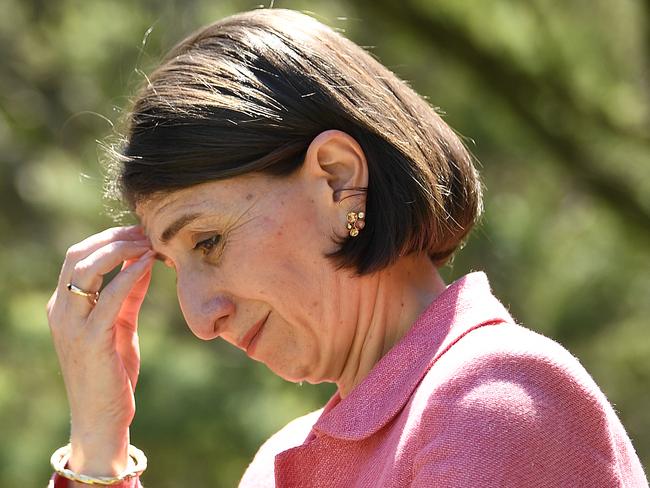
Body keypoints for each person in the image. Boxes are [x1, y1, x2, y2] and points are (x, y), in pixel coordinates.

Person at [46, 8, 647, 488]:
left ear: (336, 179)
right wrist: (99, 447)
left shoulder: (495, 403)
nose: (201, 319)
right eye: (174, 267)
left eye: (209, 240)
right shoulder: (279, 463)